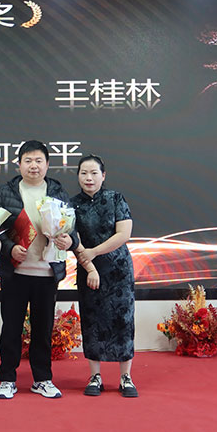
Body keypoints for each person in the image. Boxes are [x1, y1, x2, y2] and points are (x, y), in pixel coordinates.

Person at [0, 140, 80, 399]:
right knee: (11, 328)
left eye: (39, 160)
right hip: (15, 272)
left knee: (42, 330)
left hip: (47, 272)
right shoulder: (6, 192)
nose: (34, 165)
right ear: (19, 164)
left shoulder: (57, 191)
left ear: (47, 164)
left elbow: (71, 228)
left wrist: (69, 240)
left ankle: (42, 379)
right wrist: (9, 249)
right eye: (28, 160)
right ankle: (7, 379)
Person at [70, 154, 138, 398]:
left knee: (123, 320)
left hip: (118, 270)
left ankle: (125, 377)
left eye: (94, 173)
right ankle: (95, 376)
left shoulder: (115, 198)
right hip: (88, 269)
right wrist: (89, 264)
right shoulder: (72, 204)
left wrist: (95, 251)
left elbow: (124, 234)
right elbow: (73, 240)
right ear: (78, 176)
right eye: (84, 173)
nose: (88, 178)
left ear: (103, 175)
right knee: (91, 320)